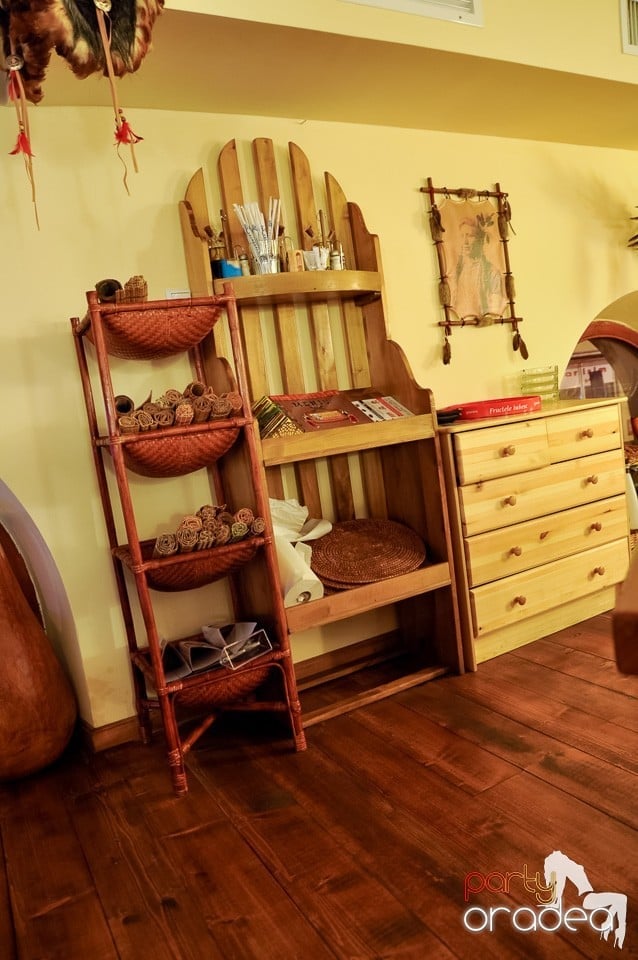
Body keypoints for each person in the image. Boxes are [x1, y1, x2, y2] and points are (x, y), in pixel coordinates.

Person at [449, 214, 506, 320]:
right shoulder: (456, 271)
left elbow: (494, 309)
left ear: (479, 240)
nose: (465, 242)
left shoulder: (491, 272)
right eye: (462, 236)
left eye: (470, 236)